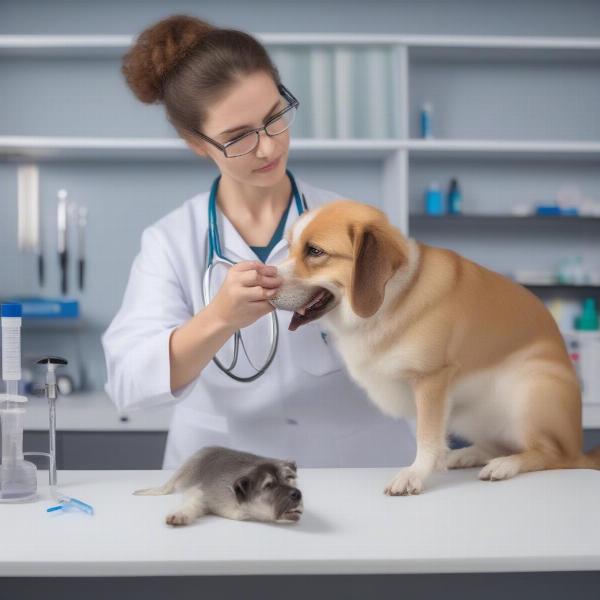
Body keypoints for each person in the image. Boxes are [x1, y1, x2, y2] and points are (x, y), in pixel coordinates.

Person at [101, 14, 416, 469]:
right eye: (239, 137)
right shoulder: (171, 241)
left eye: (274, 119)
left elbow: (422, 338)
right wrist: (217, 319)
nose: (268, 147)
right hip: (228, 476)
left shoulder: (353, 225)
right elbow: (129, 383)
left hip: (358, 469)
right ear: (195, 142)